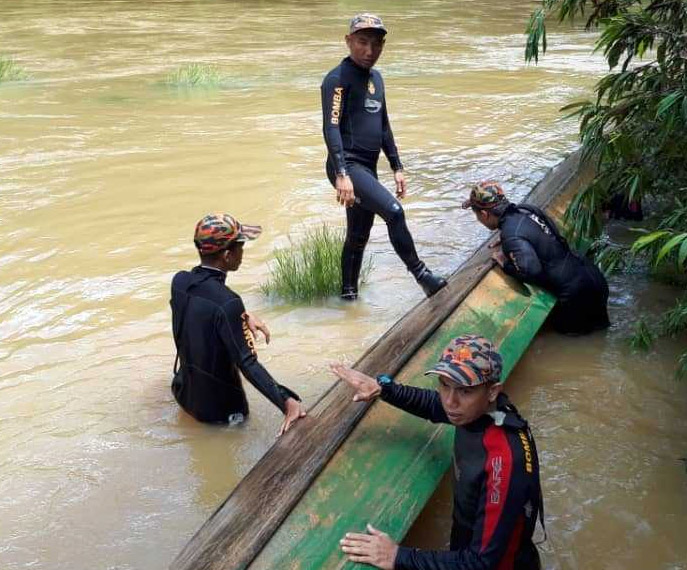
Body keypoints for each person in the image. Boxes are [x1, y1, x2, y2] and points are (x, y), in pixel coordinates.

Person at [331, 334, 543, 570]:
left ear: (492, 391)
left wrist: (397, 556)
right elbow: (432, 405)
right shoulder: (477, 412)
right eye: (444, 384)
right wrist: (383, 388)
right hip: (468, 545)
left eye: (464, 390)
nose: (450, 402)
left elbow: (480, 562)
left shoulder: (503, 460)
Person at [321, 13, 447, 300]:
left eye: (376, 44)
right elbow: (330, 127)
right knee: (394, 212)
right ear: (348, 41)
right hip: (347, 166)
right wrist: (342, 174)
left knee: (358, 236)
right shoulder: (337, 79)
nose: (369, 51)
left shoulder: (376, 78)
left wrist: (397, 166)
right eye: (362, 42)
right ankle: (423, 276)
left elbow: (384, 124)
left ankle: (348, 297)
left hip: (366, 166)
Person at [170, 213, 306, 433]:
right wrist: (286, 401)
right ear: (226, 255)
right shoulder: (228, 303)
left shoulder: (180, 282)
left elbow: (199, 309)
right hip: (223, 414)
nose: (242, 252)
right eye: (240, 246)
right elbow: (247, 363)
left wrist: (242, 315)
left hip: (184, 395)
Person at [464, 181, 610, 335]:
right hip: (593, 277)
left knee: (577, 347)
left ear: (484, 214)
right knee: (601, 336)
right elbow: (546, 234)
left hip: (575, 296)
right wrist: (511, 239)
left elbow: (531, 272)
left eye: (477, 215)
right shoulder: (527, 210)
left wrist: (505, 263)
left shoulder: (512, 235)